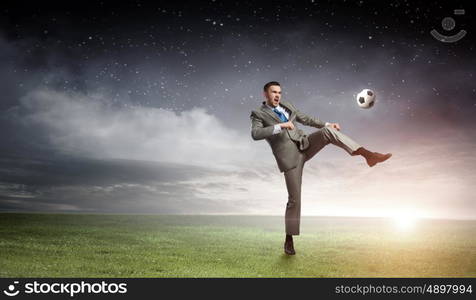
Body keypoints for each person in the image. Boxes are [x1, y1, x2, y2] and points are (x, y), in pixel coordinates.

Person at [249, 81, 392, 255]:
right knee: (294, 199)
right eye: (273, 92)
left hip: (305, 144)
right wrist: (281, 126)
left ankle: (368, 155)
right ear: (265, 94)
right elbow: (255, 134)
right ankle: (289, 239)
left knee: (328, 132)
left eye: (279, 92)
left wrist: (326, 124)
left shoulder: (287, 105)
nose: (277, 95)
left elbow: (306, 119)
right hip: (290, 159)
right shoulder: (258, 113)